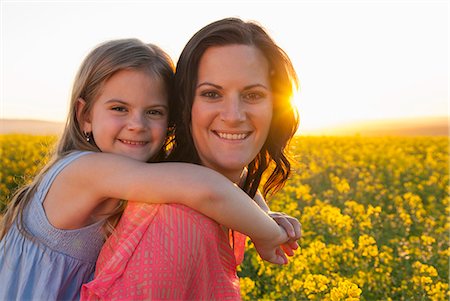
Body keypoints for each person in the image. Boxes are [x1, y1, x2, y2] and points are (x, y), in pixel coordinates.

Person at [0, 38, 296, 301]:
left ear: (170, 121)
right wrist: (266, 231)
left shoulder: (134, 170)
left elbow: (222, 178)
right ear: (85, 115)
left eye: (153, 112)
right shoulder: (86, 170)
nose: (137, 124)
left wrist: (264, 212)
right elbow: (206, 189)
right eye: (119, 109)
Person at [82, 17, 300, 300]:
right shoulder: (175, 228)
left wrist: (263, 215)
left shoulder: (222, 202)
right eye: (211, 93)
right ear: (185, 106)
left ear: (276, 107)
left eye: (253, 94)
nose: (233, 116)